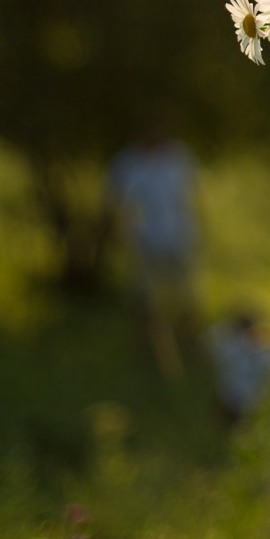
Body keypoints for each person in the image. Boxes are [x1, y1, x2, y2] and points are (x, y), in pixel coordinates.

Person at [105, 124, 200, 379]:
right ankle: (151, 355)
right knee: (146, 301)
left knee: (187, 298)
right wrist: (125, 238)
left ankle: (189, 349)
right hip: (145, 244)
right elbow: (118, 204)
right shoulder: (128, 163)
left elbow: (188, 197)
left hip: (180, 239)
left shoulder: (178, 156)